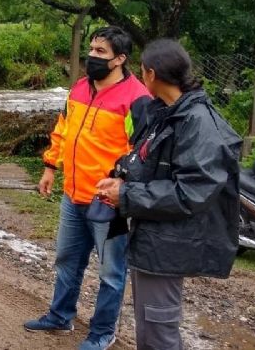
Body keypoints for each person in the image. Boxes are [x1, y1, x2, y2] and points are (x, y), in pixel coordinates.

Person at [96, 39, 241, 350]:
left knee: (158, 332)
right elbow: (150, 162)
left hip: (168, 245)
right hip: (153, 238)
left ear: (151, 74)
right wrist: (121, 178)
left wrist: (128, 196)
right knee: (150, 328)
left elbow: (192, 190)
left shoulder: (197, 121)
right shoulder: (167, 112)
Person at [24, 26, 151, 350]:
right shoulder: (80, 88)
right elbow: (63, 130)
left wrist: (123, 186)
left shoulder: (137, 99)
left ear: (120, 59)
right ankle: (60, 315)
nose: (92, 56)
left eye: (100, 52)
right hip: (73, 194)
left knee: (111, 272)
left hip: (108, 203)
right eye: (92, 49)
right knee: (67, 259)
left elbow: (144, 151)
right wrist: (50, 166)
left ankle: (102, 333)